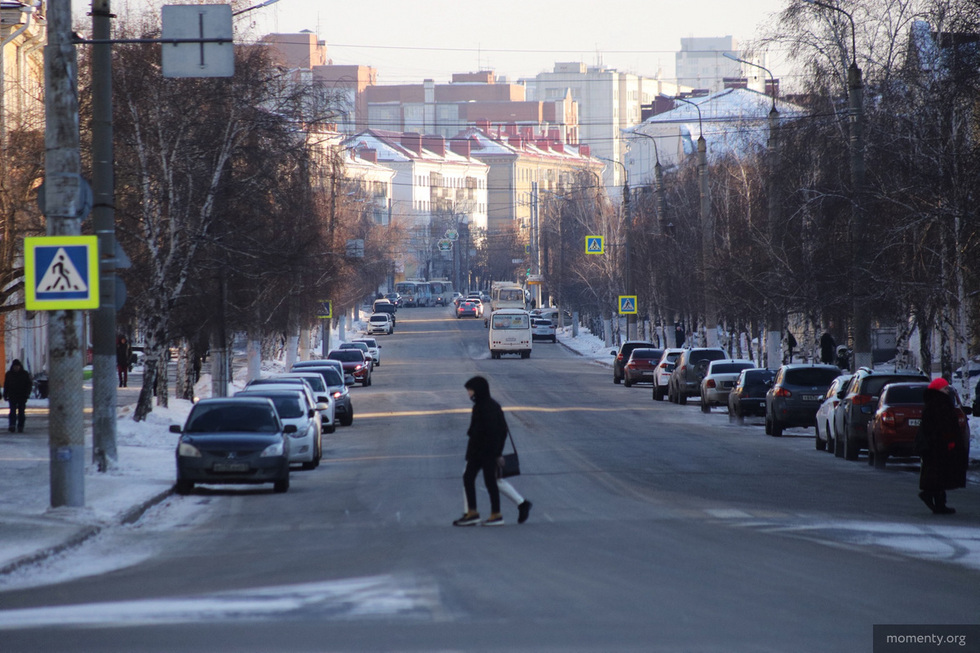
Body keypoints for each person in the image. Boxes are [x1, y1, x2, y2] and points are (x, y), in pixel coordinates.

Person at [454, 376, 511, 526]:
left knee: (487, 481)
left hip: (484, 452)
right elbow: (502, 430)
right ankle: (476, 513)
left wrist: (497, 453)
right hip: (482, 451)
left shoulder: (485, 407)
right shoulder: (488, 405)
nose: (469, 394)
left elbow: (494, 431)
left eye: (470, 390)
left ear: (478, 390)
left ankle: (494, 514)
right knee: (474, 479)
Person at [915, 378, 968, 515]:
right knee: (941, 473)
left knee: (938, 474)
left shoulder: (933, 403)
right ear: (937, 390)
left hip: (935, 445)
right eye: (944, 389)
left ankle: (939, 503)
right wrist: (950, 441)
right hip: (941, 445)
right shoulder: (940, 404)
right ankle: (932, 497)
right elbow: (944, 425)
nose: (946, 391)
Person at [3, 360, 32, 433]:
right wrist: (5, 394)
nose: (16, 368)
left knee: (21, 412)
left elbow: (28, 385)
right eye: (15, 366)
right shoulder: (9, 374)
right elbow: (6, 385)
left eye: (17, 366)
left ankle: (20, 426)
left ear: (20, 366)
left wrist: (27, 394)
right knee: (12, 411)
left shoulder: (24, 374)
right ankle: (12, 425)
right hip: (12, 395)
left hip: (22, 396)